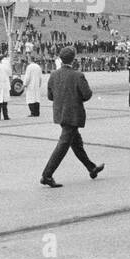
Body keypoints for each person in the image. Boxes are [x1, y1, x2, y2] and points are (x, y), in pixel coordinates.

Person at [40, 47, 103, 187]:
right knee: (63, 145)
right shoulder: (78, 75)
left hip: (60, 113)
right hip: (73, 114)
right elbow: (87, 95)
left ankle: (91, 168)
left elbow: (50, 96)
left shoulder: (54, 74)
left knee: (76, 144)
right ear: (73, 59)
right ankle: (47, 175)